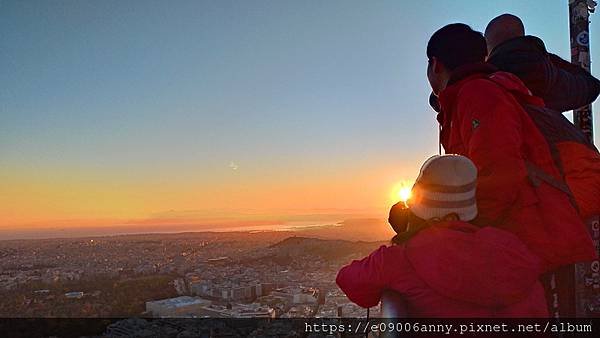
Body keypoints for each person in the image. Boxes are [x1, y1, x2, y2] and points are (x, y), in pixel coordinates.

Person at [424, 23, 595, 271]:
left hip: (530, 238)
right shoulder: (468, 96)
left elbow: (498, 175)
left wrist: (464, 230)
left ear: (435, 64)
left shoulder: (478, 94)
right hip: (530, 233)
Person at [336, 155, 548, 317]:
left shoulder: (400, 259)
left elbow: (349, 280)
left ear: (417, 207)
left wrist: (408, 237)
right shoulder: (512, 249)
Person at [485, 14, 600, 113]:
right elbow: (590, 85)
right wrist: (546, 57)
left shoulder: (484, 79)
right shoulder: (545, 73)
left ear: (487, 47)